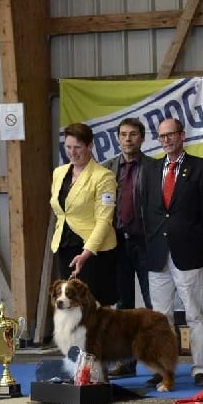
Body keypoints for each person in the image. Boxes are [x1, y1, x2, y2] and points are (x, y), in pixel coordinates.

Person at [141, 117, 203, 388]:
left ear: (182, 136)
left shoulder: (201, 168)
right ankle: (163, 368)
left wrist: (197, 241)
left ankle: (201, 368)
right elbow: (147, 210)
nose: (166, 140)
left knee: (194, 315)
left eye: (170, 135)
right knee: (160, 318)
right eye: (161, 136)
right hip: (157, 253)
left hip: (187, 252)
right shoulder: (150, 169)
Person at [103, 117, 155, 378]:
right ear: (117, 138)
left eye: (133, 134)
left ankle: (158, 363)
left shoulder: (153, 167)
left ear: (142, 138)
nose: (127, 139)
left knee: (151, 305)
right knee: (123, 308)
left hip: (145, 244)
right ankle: (125, 362)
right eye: (123, 134)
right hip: (117, 245)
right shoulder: (107, 169)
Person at [50, 122, 119, 307]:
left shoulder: (104, 177)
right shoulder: (59, 173)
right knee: (70, 306)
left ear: (90, 146)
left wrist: (85, 254)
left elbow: (104, 220)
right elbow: (61, 211)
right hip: (64, 247)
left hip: (93, 252)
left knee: (94, 310)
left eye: (78, 147)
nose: (72, 152)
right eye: (68, 147)